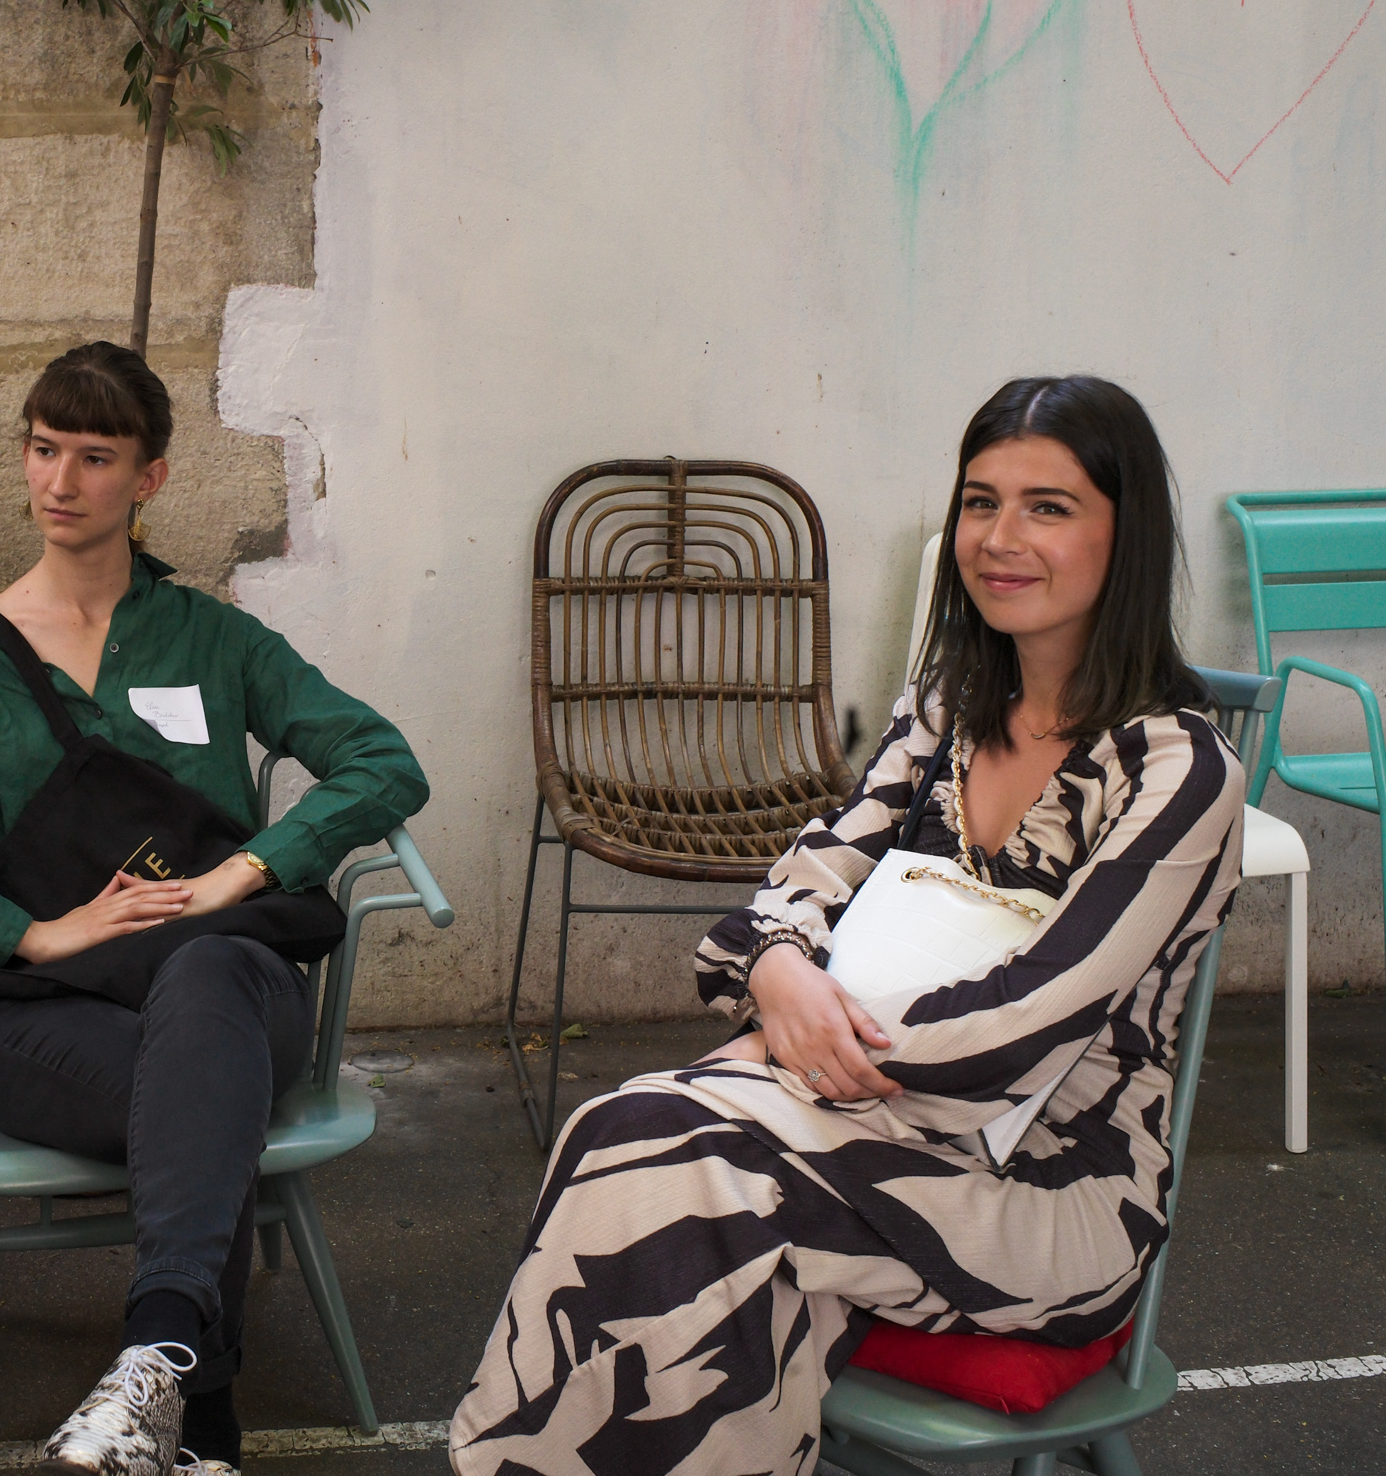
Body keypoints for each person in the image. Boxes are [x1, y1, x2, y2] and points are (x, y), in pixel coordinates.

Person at [451, 377, 1245, 1476]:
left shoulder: (1176, 771)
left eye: (1048, 507)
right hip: (857, 1120)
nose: (999, 539)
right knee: (626, 1131)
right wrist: (780, 970)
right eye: (979, 501)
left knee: (675, 1157)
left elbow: (1026, 1024)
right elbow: (795, 888)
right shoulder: (942, 716)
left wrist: (785, 1038)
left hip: (1050, 1186)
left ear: (1128, 532)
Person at [0, 342, 430, 1476]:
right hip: (44, 1015)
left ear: (150, 481)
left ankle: (156, 1376)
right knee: (205, 1094)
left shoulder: (214, 638)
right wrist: (23, 929)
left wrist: (252, 869)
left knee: (210, 979)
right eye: (44, 449)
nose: (61, 480)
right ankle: (192, 1409)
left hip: (229, 985)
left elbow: (380, 762)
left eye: (96, 456)